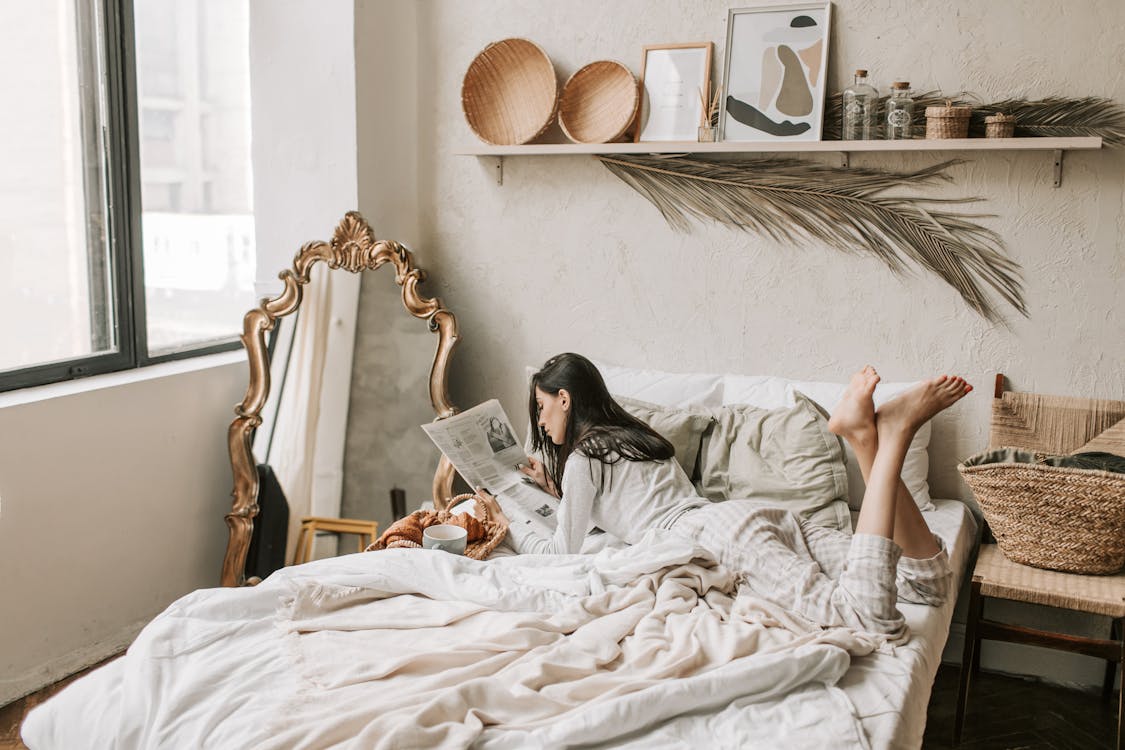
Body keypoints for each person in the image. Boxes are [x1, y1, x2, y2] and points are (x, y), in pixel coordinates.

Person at [475, 353, 971, 640]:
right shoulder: (635, 436)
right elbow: (617, 501)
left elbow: (561, 553)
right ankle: (866, 442)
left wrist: (507, 522)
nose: (539, 423)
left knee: (865, 619)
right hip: (746, 519)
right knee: (927, 584)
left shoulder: (585, 460)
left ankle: (885, 437)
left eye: (541, 408)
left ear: (565, 399)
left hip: (711, 537)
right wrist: (553, 488)